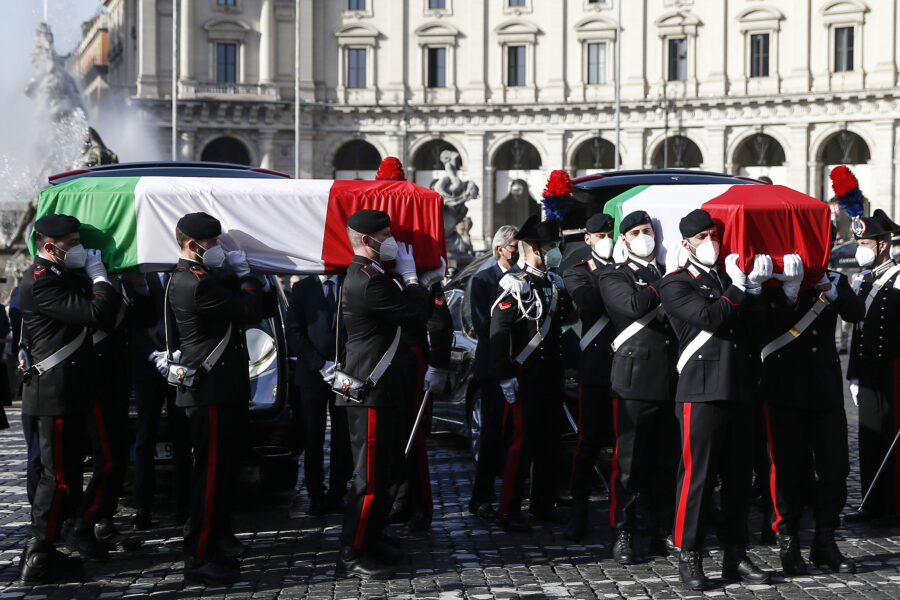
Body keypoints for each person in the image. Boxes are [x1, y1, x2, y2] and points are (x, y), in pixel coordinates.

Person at [657, 208, 772, 590]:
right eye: (703, 238)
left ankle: (735, 554)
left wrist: (756, 291)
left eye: (714, 236)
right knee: (697, 478)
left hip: (738, 388)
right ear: (686, 242)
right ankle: (689, 553)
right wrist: (739, 288)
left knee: (740, 478)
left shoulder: (729, 277)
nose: (711, 243)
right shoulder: (674, 283)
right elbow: (709, 317)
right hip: (700, 391)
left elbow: (756, 331)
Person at [167, 212, 276, 584]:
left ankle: (214, 538)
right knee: (210, 476)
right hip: (209, 393)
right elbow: (247, 311)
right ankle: (198, 557)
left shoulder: (202, 278)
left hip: (221, 390)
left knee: (223, 472)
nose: (218, 249)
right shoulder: (195, 282)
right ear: (192, 245)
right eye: (213, 244)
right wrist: (246, 277)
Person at [18, 214, 120, 584]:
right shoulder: (42, 282)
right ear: (49, 247)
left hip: (70, 391)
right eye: (71, 243)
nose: (78, 248)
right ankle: (39, 555)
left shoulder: (60, 276)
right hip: (54, 395)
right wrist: (99, 275)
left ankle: (47, 550)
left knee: (68, 474)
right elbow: (97, 314)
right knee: (57, 478)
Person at [335, 209, 433, 579]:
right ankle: (352, 553)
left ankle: (372, 537)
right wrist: (412, 279)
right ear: (367, 240)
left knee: (388, 471)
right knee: (370, 478)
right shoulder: (367, 280)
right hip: (371, 392)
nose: (392, 240)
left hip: (384, 389)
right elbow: (413, 315)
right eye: (386, 235)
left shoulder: (374, 275)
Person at [760, 256, 863, 575]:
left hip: (826, 391)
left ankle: (825, 540)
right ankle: (788, 541)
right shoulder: (775, 280)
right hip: (784, 390)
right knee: (787, 468)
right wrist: (788, 292)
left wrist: (829, 288)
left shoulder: (834, 278)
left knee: (836, 466)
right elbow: (765, 326)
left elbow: (856, 312)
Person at [596, 211, 679, 560]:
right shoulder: (614, 275)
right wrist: (669, 279)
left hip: (672, 379)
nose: (643, 236)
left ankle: (662, 528)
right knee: (628, 464)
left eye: (648, 230)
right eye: (635, 232)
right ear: (624, 239)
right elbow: (633, 305)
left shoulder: (666, 272)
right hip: (633, 381)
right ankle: (623, 531)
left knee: (666, 463)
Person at [491, 214, 570, 532]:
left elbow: (568, 318)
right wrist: (503, 375)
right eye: (550, 246)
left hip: (551, 373)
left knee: (550, 443)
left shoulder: (551, 281)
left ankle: (542, 504)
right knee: (522, 445)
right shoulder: (516, 282)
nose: (554, 251)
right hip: (526, 375)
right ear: (534, 248)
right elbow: (499, 328)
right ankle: (508, 510)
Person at [74, 273, 154, 555]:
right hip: (94, 382)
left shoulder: (122, 281)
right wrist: (100, 282)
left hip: (118, 380)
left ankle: (103, 520)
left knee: (118, 459)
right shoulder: (84, 283)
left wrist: (141, 287)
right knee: (105, 460)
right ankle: (83, 525)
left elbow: (145, 319)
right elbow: (98, 317)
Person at [561, 213, 616, 541]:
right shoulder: (577, 271)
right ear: (589, 239)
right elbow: (588, 302)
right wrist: (615, 273)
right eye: (600, 234)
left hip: (629, 368)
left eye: (611, 232)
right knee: (589, 443)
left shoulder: (628, 268)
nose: (606, 238)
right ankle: (579, 509)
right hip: (595, 369)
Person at [846, 210, 900, 526]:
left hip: (893, 368)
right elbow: (857, 330)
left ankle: (893, 504)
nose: (860, 247)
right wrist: (853, 372)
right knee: (869, 435)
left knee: (891, 435)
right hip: (867, 368)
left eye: (865, 241)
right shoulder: (863, 280)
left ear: (882, 244)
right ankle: (871, 502)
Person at [286, 273, 352, 516]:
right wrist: (319, 363)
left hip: (346, 372)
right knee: (312, 436)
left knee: (343, 435)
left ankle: (338, 491)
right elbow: (293, 331)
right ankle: (316, 494)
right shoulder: (303, 288)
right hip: (312, 374)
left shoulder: (350, 282)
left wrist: (345, 364)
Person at [131, 271, 191, 530]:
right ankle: (143, 507)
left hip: (179, 364)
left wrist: (181, 353)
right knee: (145, 437)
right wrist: (151, 354)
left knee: (183, 436)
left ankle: (184, 506)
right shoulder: (137, 275)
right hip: (147, 365)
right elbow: (131, 322)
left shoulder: (181, 274)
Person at [468, 225, 519, 520]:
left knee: (517, 434)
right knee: (491, 435)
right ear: (500, 249)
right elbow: (484, 327)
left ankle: (514, 492)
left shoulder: (524, 277)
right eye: (513, 246)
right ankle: (482, 497)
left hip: (519, 364)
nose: (517, 250)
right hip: (493, 367)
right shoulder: (484, 279)